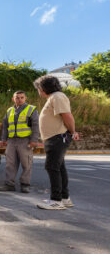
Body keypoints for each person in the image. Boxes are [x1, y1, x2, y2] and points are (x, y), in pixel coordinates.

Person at [33, 75, 80, 210]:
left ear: (42, 88)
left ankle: (56, 200)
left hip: (58, 137)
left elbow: (67, 116)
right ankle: (64, 199)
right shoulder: (54, 97)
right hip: (55, 138)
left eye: (38, 88)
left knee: (52, 167)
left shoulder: (57, 96)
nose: (38, 91)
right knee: (59, 167)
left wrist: (72, 132)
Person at [0, 91, 39, 193]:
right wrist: (3, 139)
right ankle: (9, 184)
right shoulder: (9, 111)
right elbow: (5, 126)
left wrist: (34, 140)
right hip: (11, 141)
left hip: (25, 140)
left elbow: (36, 126)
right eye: (17, 98)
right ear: (13, 99)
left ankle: (25, 185)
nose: (19, 99)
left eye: (22, 97)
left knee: (26, 163)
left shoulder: (31, 109)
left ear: (25, 98)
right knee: (10, 163)